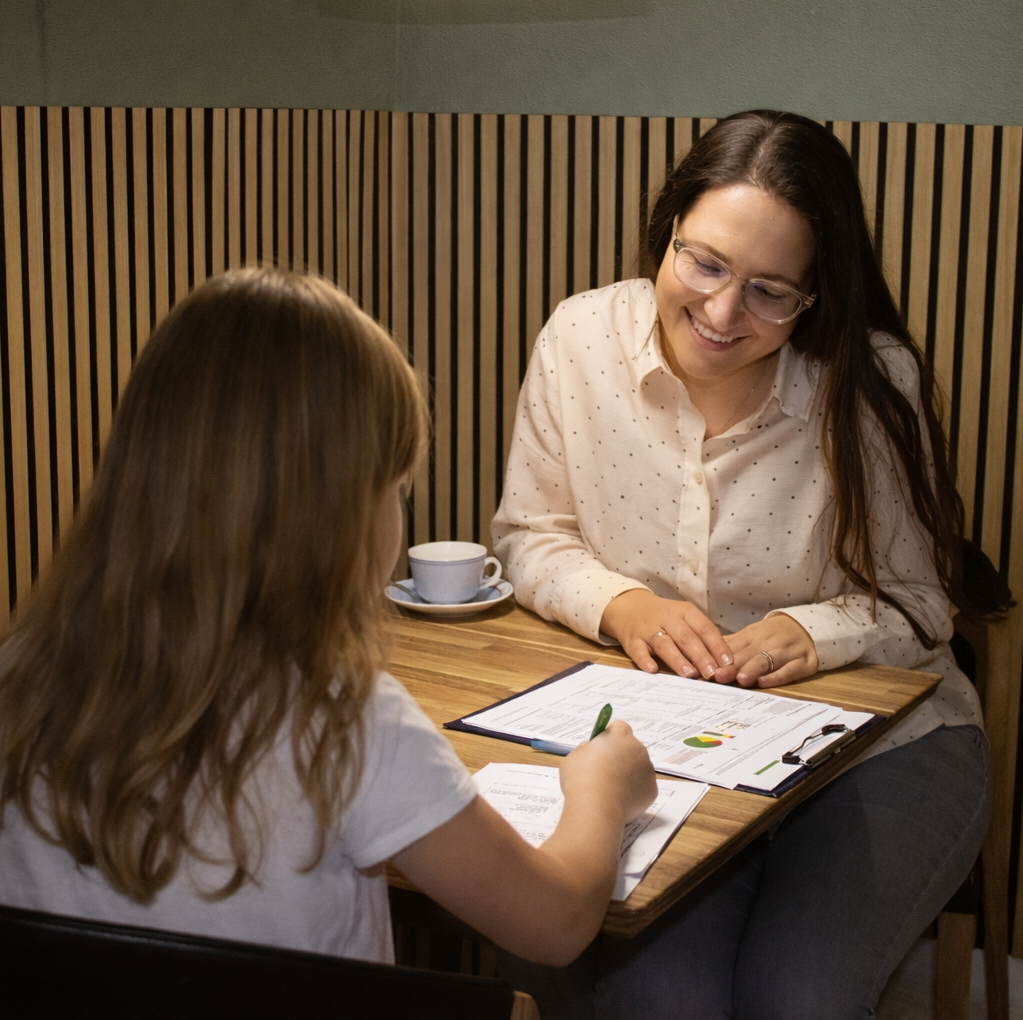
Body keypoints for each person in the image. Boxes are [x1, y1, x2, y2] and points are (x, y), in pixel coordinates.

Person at [0, 267, 656, 968]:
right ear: (338, 515)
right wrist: (600, 790)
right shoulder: (347, 726)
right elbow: (553, 924)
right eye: (395, 488)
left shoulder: (20, 680)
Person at [492, 110, 991, 1018]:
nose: (722, 314)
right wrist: (622, 606)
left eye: (771, 291)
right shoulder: (580, 340)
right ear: (667, 230)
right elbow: (528, 535)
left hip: (878, 746)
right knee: (656, 995)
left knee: (790, 998)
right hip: (660, 741)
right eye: (704, 264)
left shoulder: (869, 380)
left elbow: (924, 601)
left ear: (817, 295)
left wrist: (813, 628)